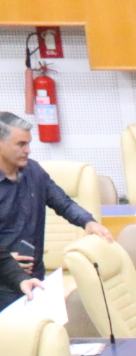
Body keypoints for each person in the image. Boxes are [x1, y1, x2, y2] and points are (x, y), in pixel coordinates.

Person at [0, 110, 112, 284]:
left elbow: (64, 204)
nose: (28, 150)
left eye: (28, 143)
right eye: (21, 144)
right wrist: (6, 263)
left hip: (35, 276)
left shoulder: (34, 171)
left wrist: (88, 222)